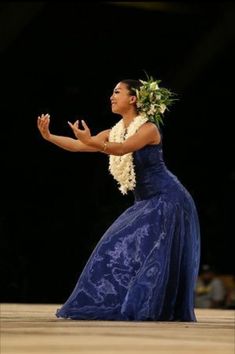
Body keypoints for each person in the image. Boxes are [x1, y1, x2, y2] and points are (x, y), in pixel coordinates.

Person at [37, 75, 201, 321]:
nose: (111, 96)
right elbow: (78, 146)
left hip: (168, 199)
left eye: (117, 92)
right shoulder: (114, 131)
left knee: (149, 255)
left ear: (133, 98)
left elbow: (123, 148)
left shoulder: (148, 128)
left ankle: (147, 308)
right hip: (145, 202)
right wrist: (50, 137)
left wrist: (93, 141)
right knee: (118, 248)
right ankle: (120, 303)